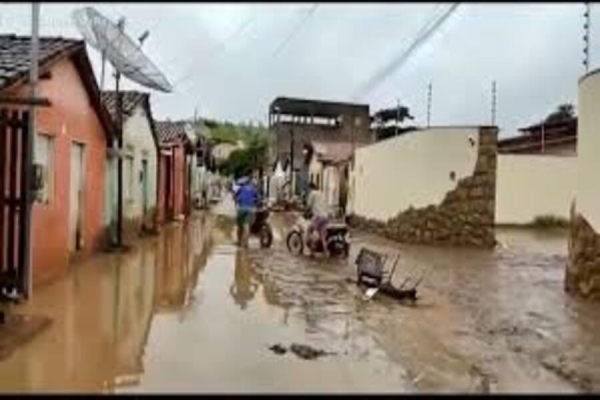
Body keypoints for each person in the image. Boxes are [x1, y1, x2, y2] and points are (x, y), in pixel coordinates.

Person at [305, 181, 330, 257]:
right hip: (325, 217)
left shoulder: (312, 194)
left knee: (310, 231)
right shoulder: (321, 193)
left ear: (310, 188)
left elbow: (309, 206)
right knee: (322, 237)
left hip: (318, 217)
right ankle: (326, 253)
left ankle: (311, 252)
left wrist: (306, 211)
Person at [234, 175, 258, 248]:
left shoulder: (240, 189)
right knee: (246, 226)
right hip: (250, 209)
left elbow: (235, 197)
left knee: (239, 226)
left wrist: (237, 202)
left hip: (241, 209)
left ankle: (239, 241)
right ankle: (245, 243)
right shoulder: (254, 190)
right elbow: (257, 199)